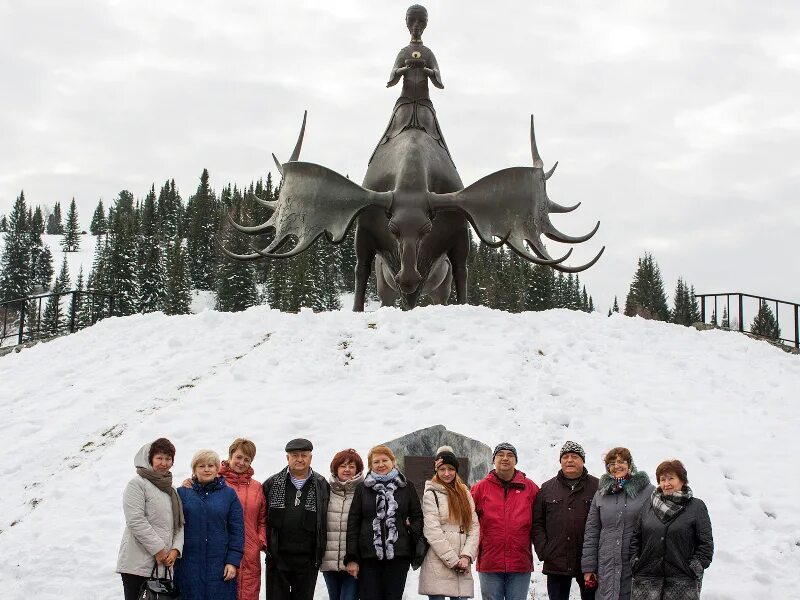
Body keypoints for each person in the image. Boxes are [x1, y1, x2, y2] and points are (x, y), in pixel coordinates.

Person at [370, 4, 452, 165]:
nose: (416, 25)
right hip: (404, 101)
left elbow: (438, 81)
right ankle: (377, 160)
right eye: (412, 21)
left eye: (420, 21)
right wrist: (404, 69)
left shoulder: (428, 53)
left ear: (425, 24)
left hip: (424, 102)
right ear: (407, 23)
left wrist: (425, 69)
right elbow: (392, 79)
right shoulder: (403, 52)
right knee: (388, 134)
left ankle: (447, 162)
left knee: (438, 136)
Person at [344, 445, 423, 600]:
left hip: (399, 556)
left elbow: (417, 517)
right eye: (376, 462)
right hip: (368, 557)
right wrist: (352, 557)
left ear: (393, 461)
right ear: (370, 465)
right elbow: (353, 523)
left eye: (385, 460)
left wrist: (408, 531)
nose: (381, 465)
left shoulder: (407, 486)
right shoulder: (362, 489)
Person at [630, 460, 714, 600]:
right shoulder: (648, 506)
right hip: (646, 579)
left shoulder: (696, 506)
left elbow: (705, 544)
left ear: (682, 480)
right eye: (662, 479)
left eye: (671, 478)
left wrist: (695, 568)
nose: (666, 483)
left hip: (682, 581)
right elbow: (636, 538)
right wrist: (635, 562)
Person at [581, 447, 654, 600]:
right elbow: (592, 531)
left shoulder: (648, 491)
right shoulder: (601, 493)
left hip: (636, 562)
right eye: (611, 463)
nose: (616, 466)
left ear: (630, 464)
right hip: (606, 563)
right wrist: (589, 567)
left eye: (621, 461)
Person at [263, 438, 331, 600]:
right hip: (278, 558)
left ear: (310, 458)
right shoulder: (272, 483)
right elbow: (259, 515)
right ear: (287, 458)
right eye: (294, 455)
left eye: (304, 455)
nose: (299, 459)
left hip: (308, 559)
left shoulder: (322, 484)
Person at [117, 438, 185, 600]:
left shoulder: (172, 490)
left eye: (168, 459)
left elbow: (179, 525)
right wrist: (158, 550)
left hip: (163, 566)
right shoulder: (137, 484)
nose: (164, 463)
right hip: (137, 564)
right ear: (150, 459)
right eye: (159, 458)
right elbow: (136, 520)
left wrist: (175, 550)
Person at [470, 442, 540, 600]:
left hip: (520, 562)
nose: (505, 458)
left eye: (510, 455)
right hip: (490, 562)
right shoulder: (480, 489)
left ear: (516, 461)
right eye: (500, 455)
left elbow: (540, 522)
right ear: (493, 460)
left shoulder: (530, 488)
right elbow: (468, 521)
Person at [533, 441, 600, 600]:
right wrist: (544, 550)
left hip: (588, 563)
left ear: (583, 460)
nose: (569, 460)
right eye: (565, 457)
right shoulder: (547, 488)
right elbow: (537, 523)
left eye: (575, 456)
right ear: (560, 461)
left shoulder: (597, 486)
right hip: (556, 561)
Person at [176, 449, 244, 599]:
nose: (206, 469)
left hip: (219, 566)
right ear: (194, 469)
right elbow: (174, 527)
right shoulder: (181, 493)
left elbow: (237, 531)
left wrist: (232, 562)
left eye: (211, 465)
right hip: (188, 565)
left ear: (217, 468)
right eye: (201, 466)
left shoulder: (229, 495)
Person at [418, 446, 480, 600]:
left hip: (462, 562)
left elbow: (473, 527)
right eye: (442, 469)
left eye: (451, 469)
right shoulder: (431, 493)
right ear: (436, 471)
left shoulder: (465, 493)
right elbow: (432, 530)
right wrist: (453, 561)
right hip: (438, 563)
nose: (447, 473)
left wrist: (466, 556)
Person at [221, 438, 267, 600]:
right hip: (222, 551)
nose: (241, 462)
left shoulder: (256, 487)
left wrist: (259, 540)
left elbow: (263, 519)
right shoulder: (216, 482)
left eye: (247, 459)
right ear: (230, 456)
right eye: (238, 457)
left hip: (250, 552)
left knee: (248, 593)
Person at [321, 448, 366, 600]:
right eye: (343, 466)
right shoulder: (325, 490)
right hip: (329, 561)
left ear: (358, 470)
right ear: (335, 468)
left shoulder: (364, 491)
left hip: (353, 562)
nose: (347, 469)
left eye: (352, 466)